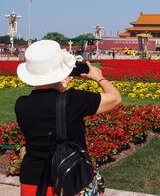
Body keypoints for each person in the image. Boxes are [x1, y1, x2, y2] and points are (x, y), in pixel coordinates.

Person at [15, 40, 121, 196]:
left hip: (32, 182)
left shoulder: (21, 104)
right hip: (69, 181)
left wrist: (60, 83)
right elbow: (115, 98)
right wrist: (99, 78)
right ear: (62, 71)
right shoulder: (73, 100)